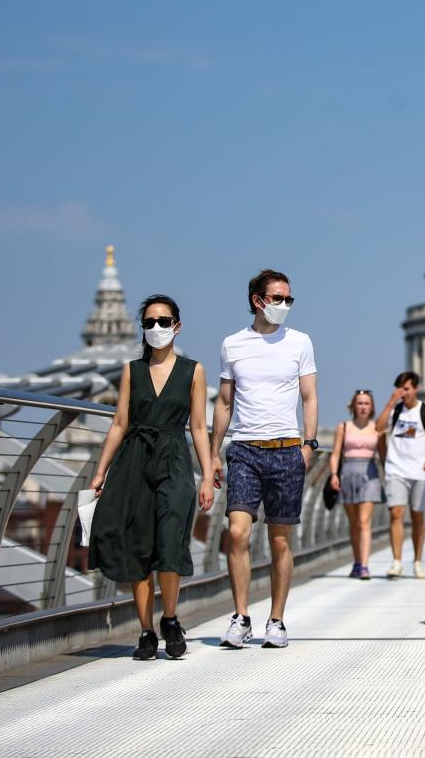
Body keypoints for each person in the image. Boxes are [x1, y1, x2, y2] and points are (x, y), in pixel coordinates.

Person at [88, 294, 215, 661]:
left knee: (172, 541)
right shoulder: (131, 370)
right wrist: (100, 472)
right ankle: (145, 630)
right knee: (139, 547)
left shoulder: (194, 370)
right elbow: (119, 423)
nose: (156, 328)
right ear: (142, 329)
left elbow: (198, 426)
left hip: (175, 458)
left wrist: (207, 475)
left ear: (177, 325)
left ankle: (170, 619)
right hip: (134, 461)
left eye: (163, 321)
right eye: (149, 323)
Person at [211, 270, 318, 648]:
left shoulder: (300, 342)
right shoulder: (232, 345)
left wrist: (309, 445)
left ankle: (276, 619)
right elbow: (224, 402)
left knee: (280, 542)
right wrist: (212, 453)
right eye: (278, 299)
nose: (285, 306)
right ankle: (241, 617)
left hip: (287, 449)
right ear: (258, 300)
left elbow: (309, 397)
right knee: (237, 532)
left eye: (289, 299)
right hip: (244, 449)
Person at [375, 372, 425, 579]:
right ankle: (396, 562)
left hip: (419, 472)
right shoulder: (394, 410)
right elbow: (378, 428)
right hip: (397, 470)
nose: (403, 392)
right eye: (400, 388)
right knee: (396, 514)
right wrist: (390, 402)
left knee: (417, 517)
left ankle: (417, 561)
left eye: (406, 388)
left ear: (416, 389)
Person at [329, 390, 383, 579]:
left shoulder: (377, 428)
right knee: (353, 524)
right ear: (353, 406)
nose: (363, 407)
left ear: (372, 407)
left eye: (366, 403)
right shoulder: (343, 427)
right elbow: (335, 453)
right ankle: (357, 561)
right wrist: (334, 474)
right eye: (359, 403)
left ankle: (365, 566)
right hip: (348, 474)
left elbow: (383, 454)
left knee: (364, 522)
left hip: (370, 475)